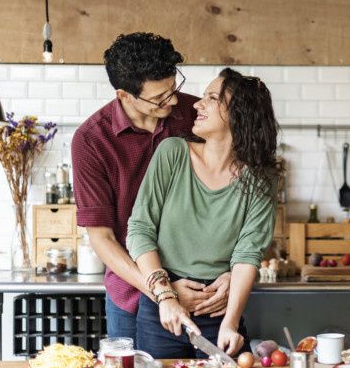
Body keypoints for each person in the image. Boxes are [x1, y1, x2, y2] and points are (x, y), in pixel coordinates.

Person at [71, 33, 231, 343]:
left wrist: (232, 276)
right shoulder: (91, 141)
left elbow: (229, 186)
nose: (172, 101)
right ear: (124, 95)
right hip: (133, 295)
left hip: (205, 292)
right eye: (159, 98)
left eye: (174, 88)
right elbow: (101, 238)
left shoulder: (192, 115)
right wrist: (163, 292)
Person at [126, 67, 279, 358]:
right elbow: (140, 230)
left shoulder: (261, 178)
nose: (197, 103)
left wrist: (230, 323)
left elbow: (248, 253)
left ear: (239, 114)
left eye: (211, 97)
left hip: (219, 307)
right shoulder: (172, 153)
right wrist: (165, 296)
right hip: (164, 304)